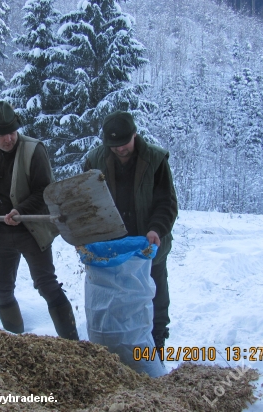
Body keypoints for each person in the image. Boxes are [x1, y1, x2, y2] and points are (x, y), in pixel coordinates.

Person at [0, 101, 79, 340]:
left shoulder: (34, 150)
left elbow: (44, 190)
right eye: (2, 135)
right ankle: (15, 342)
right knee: (0, 288)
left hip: (32, 229)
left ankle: (73, 343)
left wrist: (19, 210)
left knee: (46, 285)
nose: (8, 139)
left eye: (12, 132)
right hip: (0, 231)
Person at [83, 111, 178, 356]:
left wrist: (156, 229)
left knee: (155, 297)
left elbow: (166, 203)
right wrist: (84, 234)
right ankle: (118, 351)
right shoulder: (94, 161)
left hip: (149, 244)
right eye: (113, 146)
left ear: (134, 135)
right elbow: (86, 203)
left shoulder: (155, 160)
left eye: (124, 144)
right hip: (113, 248)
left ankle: (155, 349)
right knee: (114, 300)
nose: (120, 149)